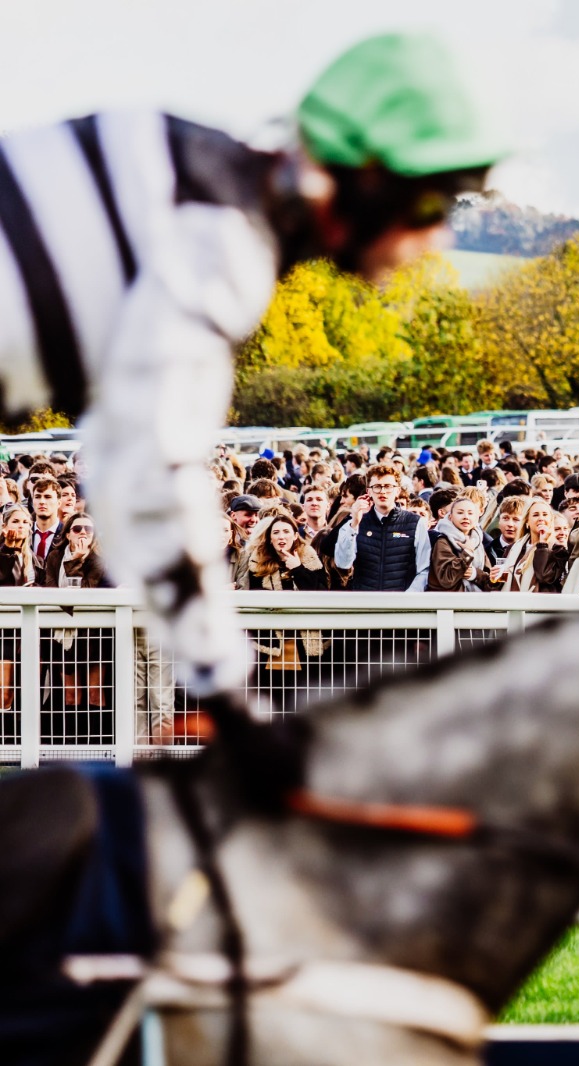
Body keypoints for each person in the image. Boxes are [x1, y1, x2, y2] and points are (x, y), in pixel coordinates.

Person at [0, 32, 505, 699]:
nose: (437, 237)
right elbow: (149, 473)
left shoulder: (186, 160)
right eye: (429, 207)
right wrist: (230, 694)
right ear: (370, 181)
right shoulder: (224, 239)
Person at [335, 464, 429, 591]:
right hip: (366, 601)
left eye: (388, 487)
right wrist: (354, 523)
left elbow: (424, 568)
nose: (383, 491)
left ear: (397, 491)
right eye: (377, 487)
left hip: (402, 602)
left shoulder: (415, 522)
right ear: (369, 491)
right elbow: (343, 563)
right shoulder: (355, 523)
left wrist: (408, 598)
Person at [427, 495, 488, 592]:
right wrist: (467, 554)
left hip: (475, 602)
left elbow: (491, 581)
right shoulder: (442, 540)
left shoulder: (476, 541)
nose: (466, 517)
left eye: (470, 513)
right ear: (450, 517)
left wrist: (475, 574)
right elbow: (447, 578)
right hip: (449, 602)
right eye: (460, 513)